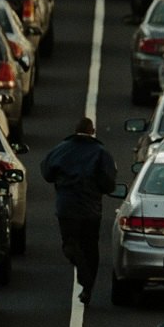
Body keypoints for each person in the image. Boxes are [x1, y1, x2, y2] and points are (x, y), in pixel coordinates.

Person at [40, 117, 117, 304]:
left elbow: (47, 172)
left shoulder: (61, 149)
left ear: (75, 130)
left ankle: (83, 273)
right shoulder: (101, 153)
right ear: (92, 131)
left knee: (70, 243)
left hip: (67, 206)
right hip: (91, 209)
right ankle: (88, 287)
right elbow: (109, 184)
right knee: (91, 246)